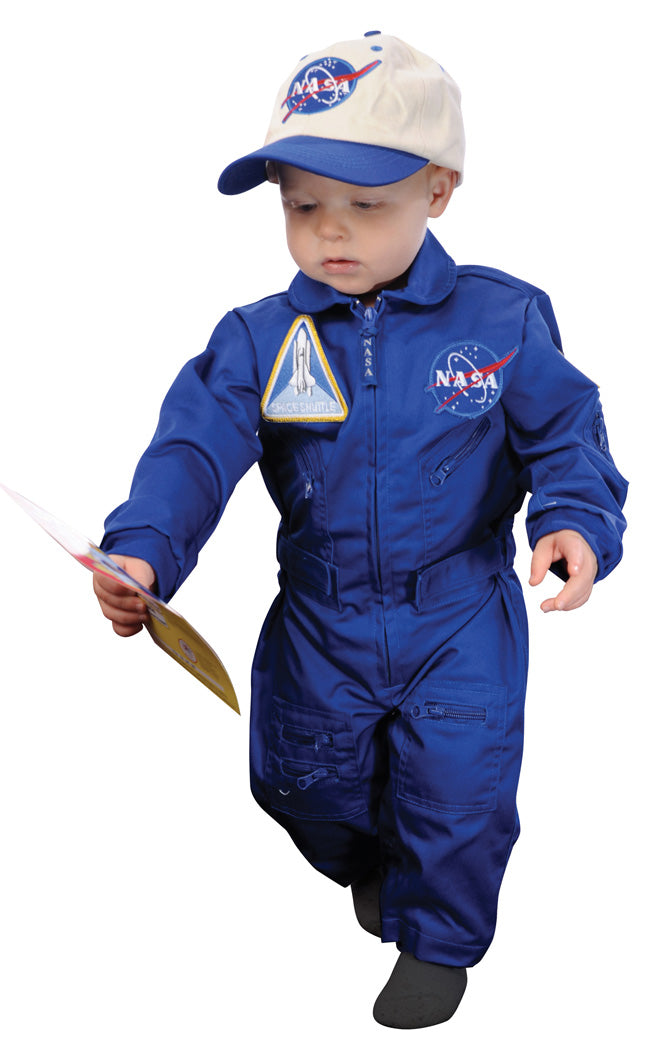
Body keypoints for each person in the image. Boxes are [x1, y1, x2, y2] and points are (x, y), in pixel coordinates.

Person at [93, 32, 627, 1029]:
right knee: (296, 779)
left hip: (456, 614)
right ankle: (379, 858)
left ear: (438, 189)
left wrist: (573, 520)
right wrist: (144, 549)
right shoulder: (261, 338)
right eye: (301, 206)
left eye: (364, 204)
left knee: (459, 794)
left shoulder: (500, 321)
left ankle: (437, 940)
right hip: (321, 616)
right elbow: (193, 449)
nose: (329, 230)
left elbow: (564, 435)